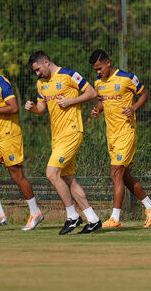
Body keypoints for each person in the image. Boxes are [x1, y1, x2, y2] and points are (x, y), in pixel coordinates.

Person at [24, 51, 101, 235]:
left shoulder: (68, 75)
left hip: (72, 131)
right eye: (35, 71)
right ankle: (92, 218)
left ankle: (72, 216)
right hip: (57, 137)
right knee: (68, 179)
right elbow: (42, 108)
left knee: (51, 173)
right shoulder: (40, 84)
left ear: (47, 62)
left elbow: (92, 92)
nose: (37, 73)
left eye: (38, 69)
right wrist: (33, 108)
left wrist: (70, 101)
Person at [89, 50, 151, 229]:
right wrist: (98, 110)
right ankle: (150, 206)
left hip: (126, 132)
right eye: (95, 70)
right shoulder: (99, 83)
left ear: (108, 62)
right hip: (111, 135)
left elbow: (144, 95)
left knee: (115, 173)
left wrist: (134, 107)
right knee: (124, 176)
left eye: (99, 68)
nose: (98, 72)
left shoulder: (127, 78)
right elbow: (103, 101)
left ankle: (115, 218)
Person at [0, 54, 43, 231]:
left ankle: (35, 213)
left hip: (9, 135)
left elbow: (14, 107)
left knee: (16, 174)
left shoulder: (1, 82)